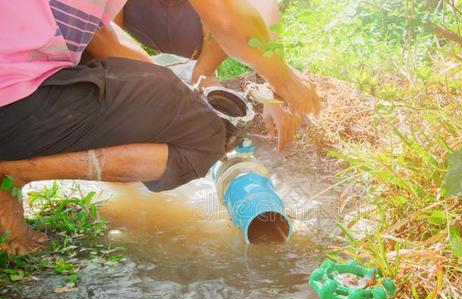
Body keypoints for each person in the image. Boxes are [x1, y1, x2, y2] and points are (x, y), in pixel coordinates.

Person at [0, 0, 320, 256]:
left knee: (169, 109)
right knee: (205, 136)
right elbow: (228, 16)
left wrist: (178, 91)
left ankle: (10, 226)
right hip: (12, 104)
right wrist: (284, 81)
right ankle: (16, 171)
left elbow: (102, 35)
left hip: (13, 91)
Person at [113, 0, 301, 149]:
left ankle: (205, 71)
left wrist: (274, 85)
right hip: (145, 18)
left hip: (201, 26)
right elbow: (107, 40)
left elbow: (263, 5)